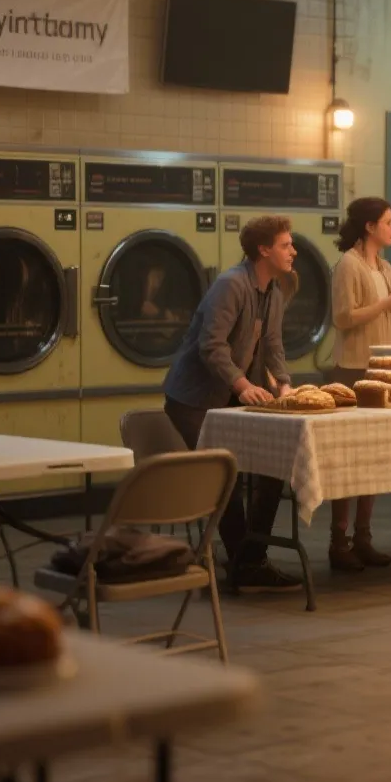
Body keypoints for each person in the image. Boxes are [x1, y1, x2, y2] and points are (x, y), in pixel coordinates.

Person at [163, 214, 300, 593]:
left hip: (229, 397)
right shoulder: (231, 284)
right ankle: (244, 561)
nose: (294, 251)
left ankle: (248, 557)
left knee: (273, 463)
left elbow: (272, 343)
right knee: (227, 474)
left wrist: (285, 385)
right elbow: (212, 346)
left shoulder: (272, 289)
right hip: (193, 400)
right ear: (264, 250)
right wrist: (241, 385)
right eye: (287, 245)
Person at [328, 196, 391, 571]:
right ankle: (339, 541)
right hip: (353, 368)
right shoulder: (348, 265)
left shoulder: (385, 265)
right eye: (388, 221)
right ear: (369, 226)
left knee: (372, 458)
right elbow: (344, 318)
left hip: (380, 368)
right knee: (349, 458)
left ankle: (363, 537)